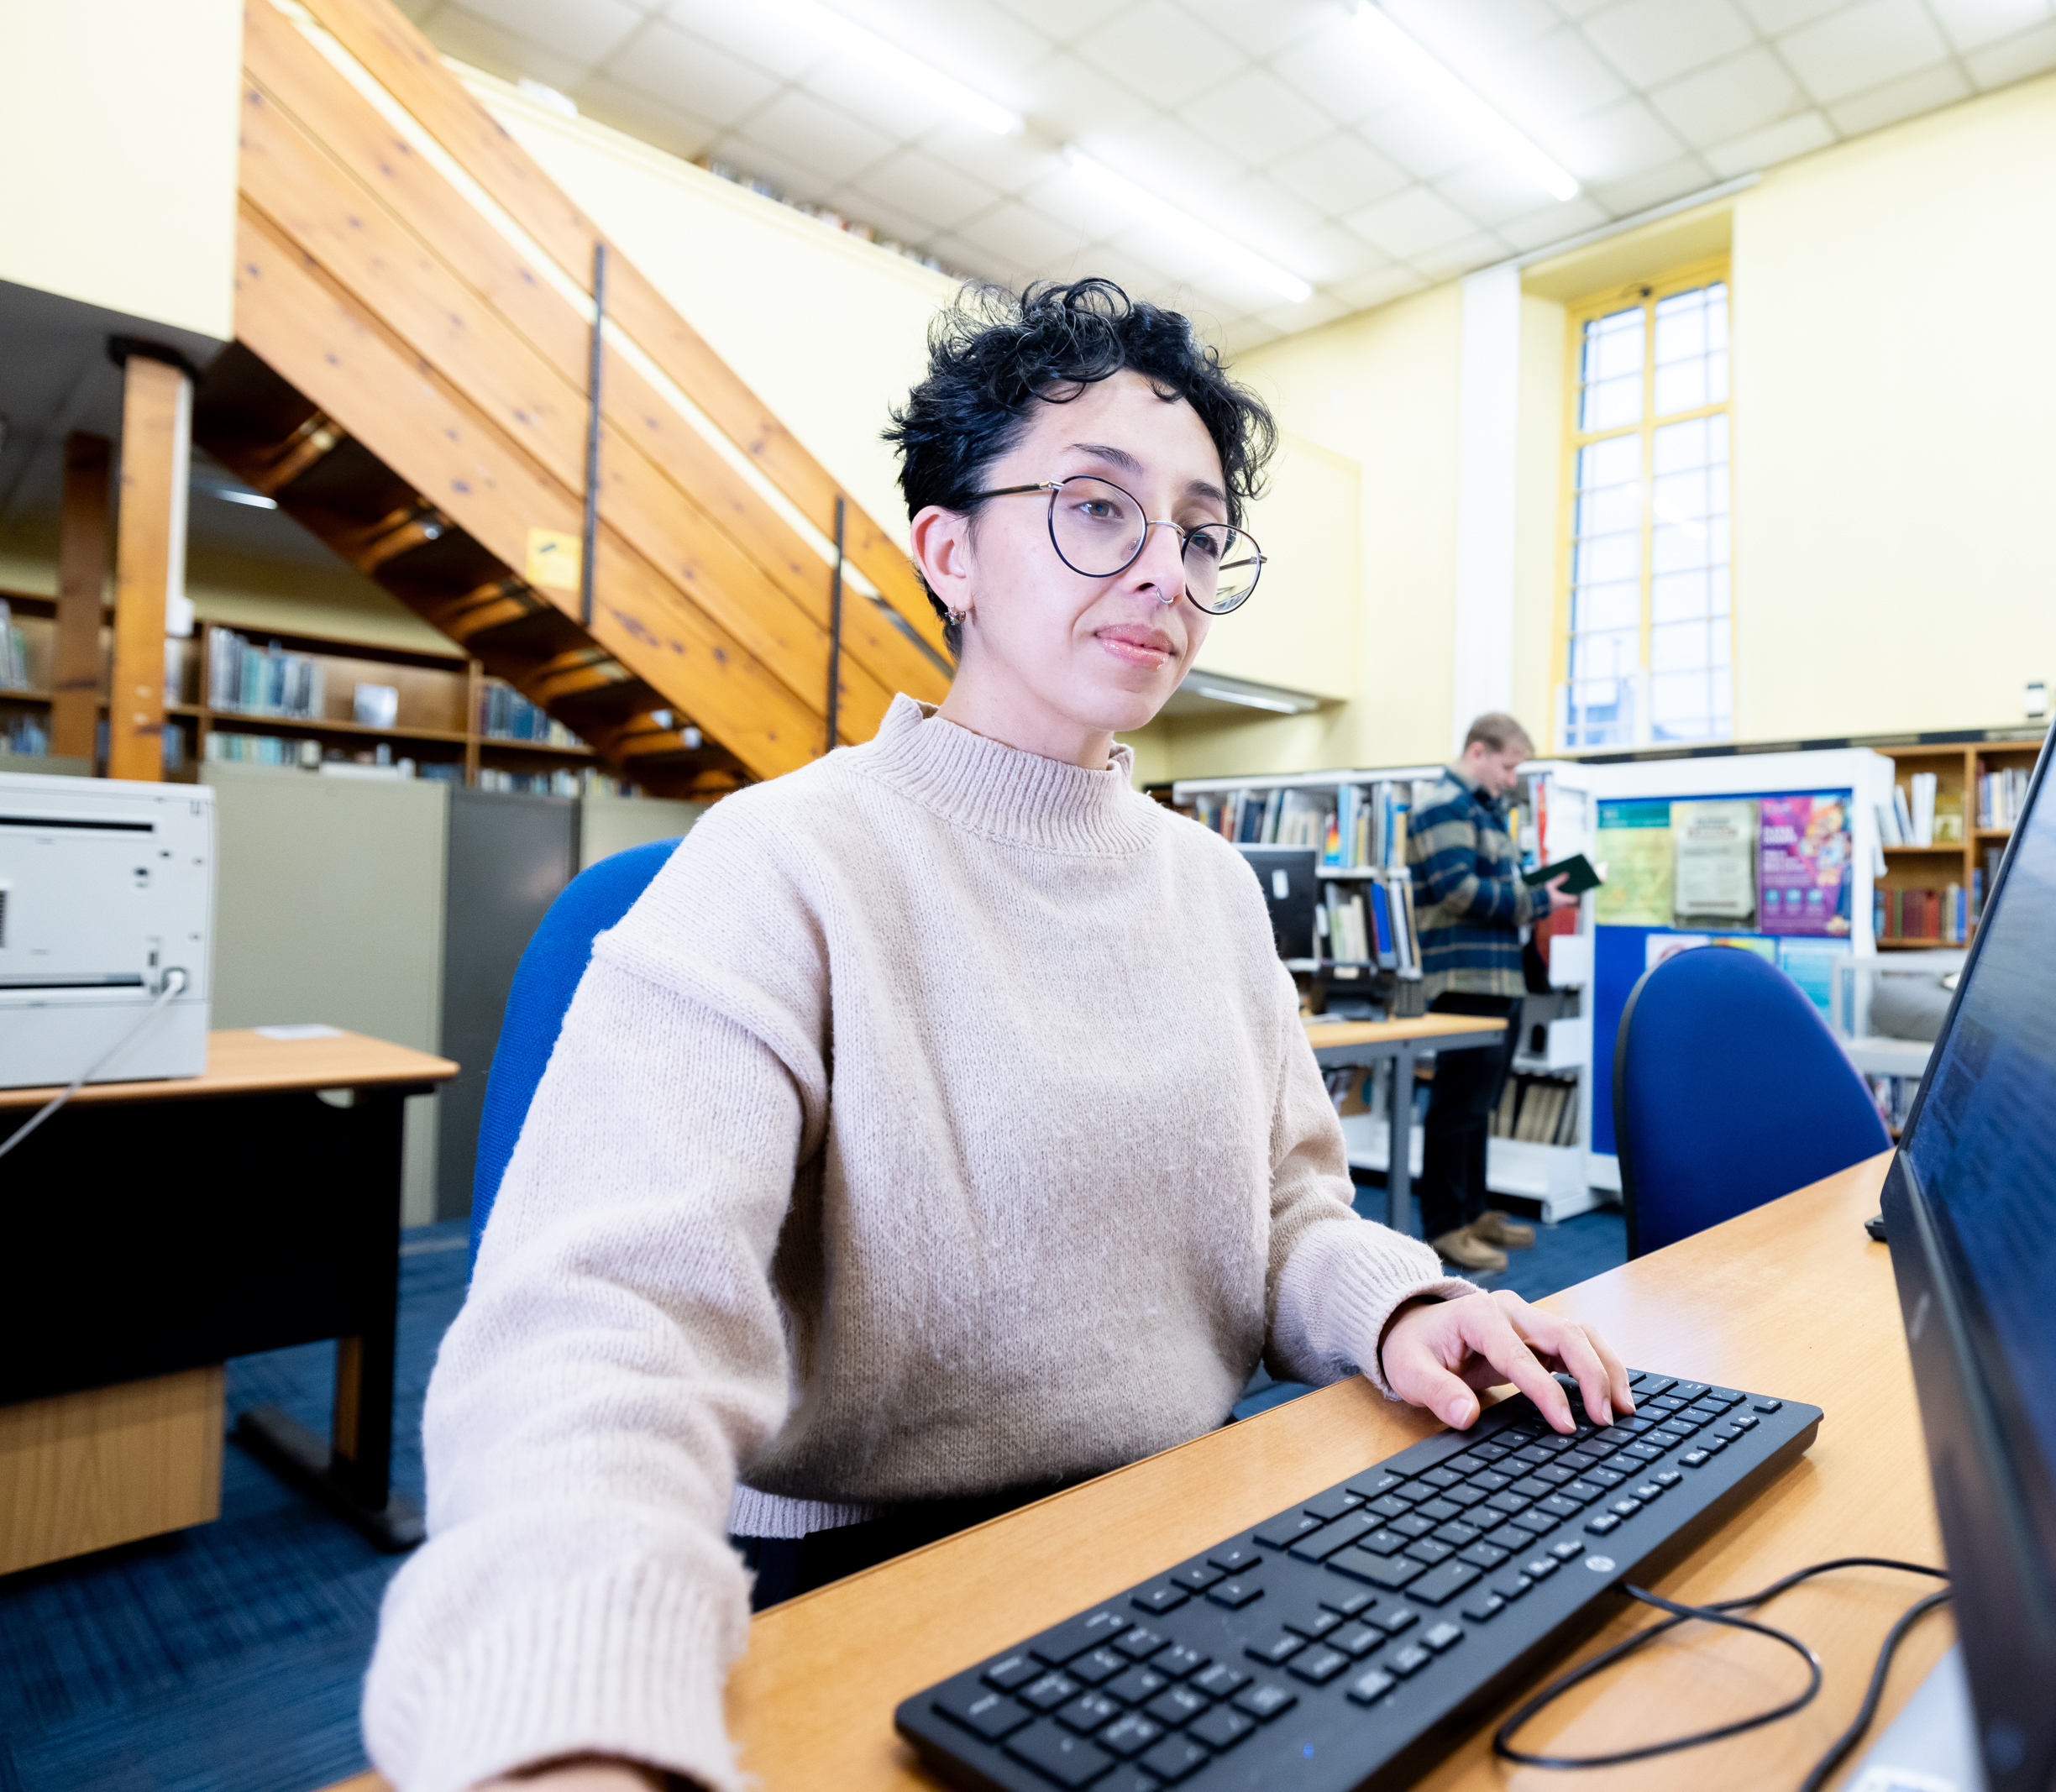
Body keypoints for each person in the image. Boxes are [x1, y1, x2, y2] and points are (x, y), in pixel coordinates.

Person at [364, 282, 1633, 1792]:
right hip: (865, 1583)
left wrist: (1401, 1307)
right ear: (948, 550)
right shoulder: (781, 863)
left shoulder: (1213, 887)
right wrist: (565, 1718)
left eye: (1200, 531)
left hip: (1181, 1543)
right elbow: (595, 1330)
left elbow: (1284, 1214)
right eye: (1098, 508)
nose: (1165, 568)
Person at [1408, 714, 1570, 1273]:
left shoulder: (1479, 807)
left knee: (1479, 1105)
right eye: (1508, 766)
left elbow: (1494, 885)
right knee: (1457, 1106)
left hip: (1499, 976)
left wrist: (1530, 888)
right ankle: (1444, 1227)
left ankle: (1472, 1213)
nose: (1510, 780)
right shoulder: (1441, 805)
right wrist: (1538, 898)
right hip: (1464, 979)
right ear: (1478, 752)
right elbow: (1459, 891)